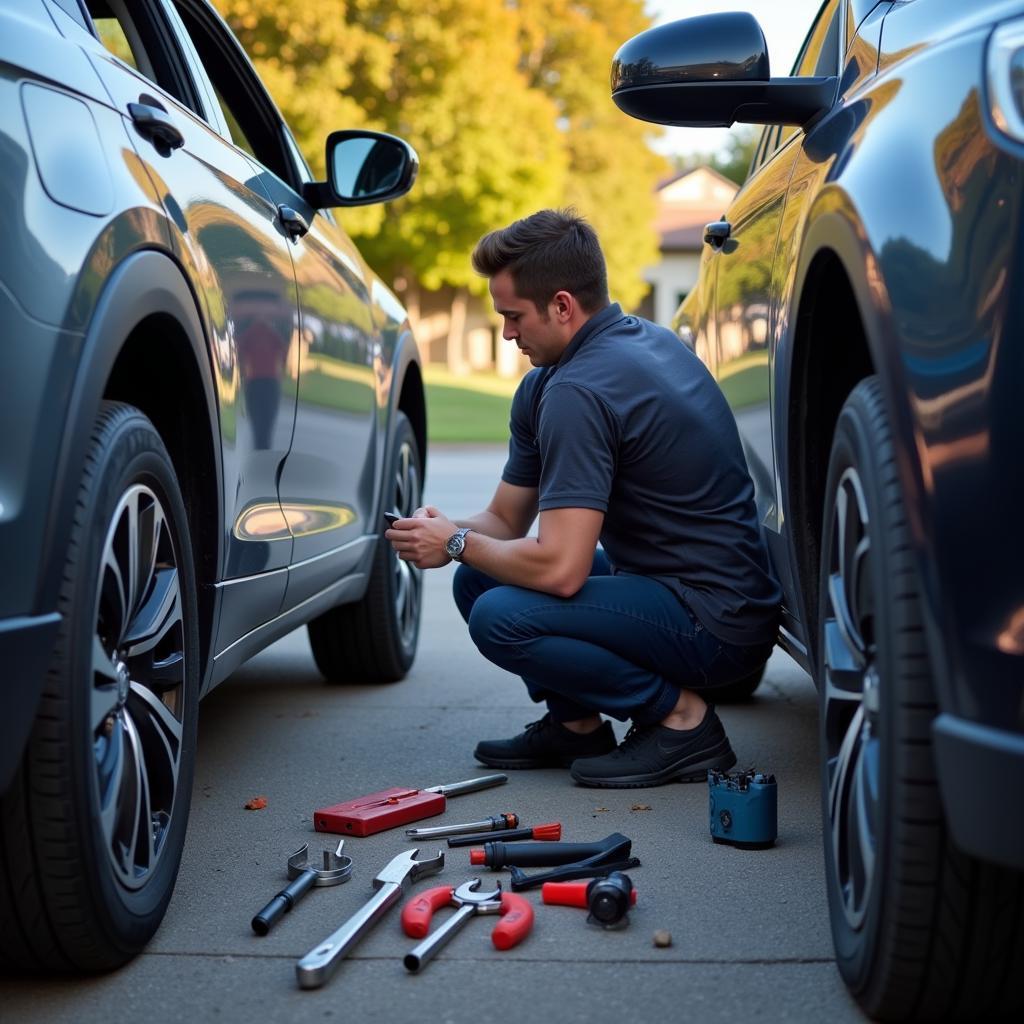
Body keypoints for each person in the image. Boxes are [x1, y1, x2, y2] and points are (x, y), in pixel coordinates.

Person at [385, 209, 781, 788]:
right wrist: (445, 534)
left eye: (514, 317)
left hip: (715, 623)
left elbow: (563, 571)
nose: (507, 334)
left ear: (563, 306)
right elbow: (505, 518)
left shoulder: (580, 389)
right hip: (678, 592)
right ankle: (577, 727)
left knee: (500, 616)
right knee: (477, 579)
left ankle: (682, 723)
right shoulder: (621, 352)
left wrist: (459, 543)